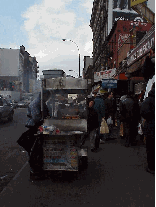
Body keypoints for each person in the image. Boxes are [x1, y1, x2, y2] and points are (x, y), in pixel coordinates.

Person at [17, 90, 51, 178]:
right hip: (34, 128)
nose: (48, 98)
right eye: (48, 96)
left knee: (37, 149)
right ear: (44, 95)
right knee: (34, 150)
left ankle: (37, 168)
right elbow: (36, 118)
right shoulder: (36, 103)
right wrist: (45, 120)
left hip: (37, 127)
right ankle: (34, 170)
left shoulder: (41, 102)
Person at [140, 83, 155, 174]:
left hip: (152, 127)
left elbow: (144, 112)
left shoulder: (148, 100)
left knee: (151, 148)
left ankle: (152, 167)